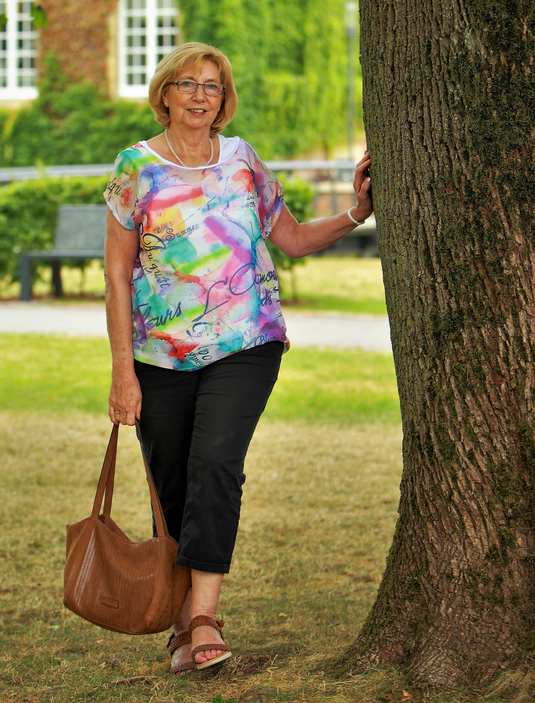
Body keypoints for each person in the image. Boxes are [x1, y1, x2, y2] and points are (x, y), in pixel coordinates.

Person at [103, 41, 373, 674]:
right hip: (158, 355)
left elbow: (295, 238)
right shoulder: (134, 168)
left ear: (223, 101)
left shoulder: (242, 160)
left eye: (214, 87)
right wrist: (122, 371)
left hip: (246, 341)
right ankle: (179, 621)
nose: (202, 95)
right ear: (164, 93)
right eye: (189, 84)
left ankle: (203, 619)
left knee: (216, 465)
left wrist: (358, 211)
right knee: (171, 484)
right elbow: (117, 277)